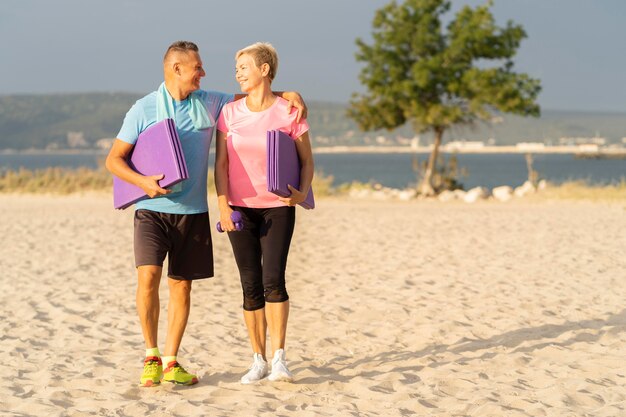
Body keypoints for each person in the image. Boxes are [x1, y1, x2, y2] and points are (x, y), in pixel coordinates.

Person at [105, 41, 306, 387]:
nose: (203, 72)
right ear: (177, 69)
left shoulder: (210, 103)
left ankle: (171, 361)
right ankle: (151, 354)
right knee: (148, 277)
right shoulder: (144, 108)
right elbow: (114, 160)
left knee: (181, 286)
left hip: (193, 211)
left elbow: (255, 94)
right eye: (197, 67)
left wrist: (291, 92)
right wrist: (143, 183)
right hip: (152, 210)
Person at [215, 42, 314, 384]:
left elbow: (306, 159)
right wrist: (222, 205)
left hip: (278, 207)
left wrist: (301, 192)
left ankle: (279, 359)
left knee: (274, 279)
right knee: (249, 284)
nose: (238, 72)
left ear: (264, 70)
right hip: (240, 209)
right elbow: (221, 163)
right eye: (236, 67)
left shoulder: (289, 110)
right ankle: (257, 360)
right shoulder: (229, 112)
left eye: (244, 66)